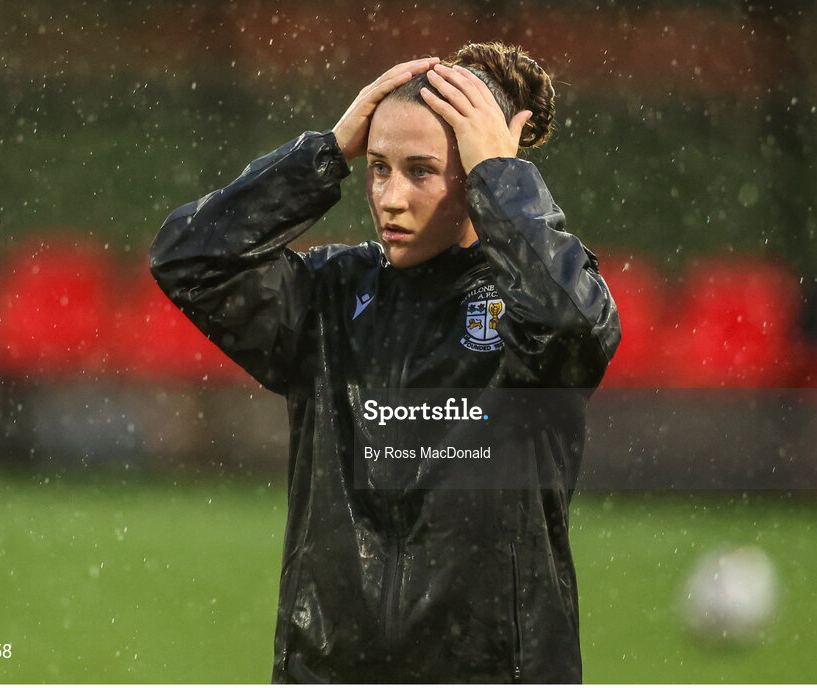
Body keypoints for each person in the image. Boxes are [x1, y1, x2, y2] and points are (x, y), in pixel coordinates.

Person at [150, 42, 620, 683]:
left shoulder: (533, 307)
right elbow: (188, 258)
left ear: (480, 173)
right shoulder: (329, 296)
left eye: (422, 170)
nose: (389, 197)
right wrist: (326, 151)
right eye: (377, 167)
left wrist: (502, 181)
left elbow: (573, 327)